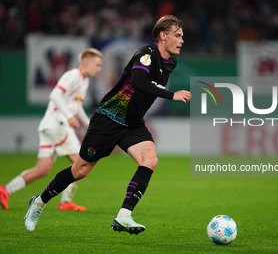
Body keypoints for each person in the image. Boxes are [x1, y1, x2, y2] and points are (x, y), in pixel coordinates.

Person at [23, 15, 191, 234]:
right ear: (163, 35)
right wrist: (172, 95)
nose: (182, 40)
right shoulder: (146, 54)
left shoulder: (171, 61)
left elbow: (132, 80)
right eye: (177, 35)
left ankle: (124, 216)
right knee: (80, 170)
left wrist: (118, 91)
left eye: (182, 36)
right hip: (109, 118)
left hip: (132, 122)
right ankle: (39, 202)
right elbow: (139, 81)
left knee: (149, 160)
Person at [0, 48, 102, 211]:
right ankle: (66, 201)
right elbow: (55, 94)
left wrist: (88, 124)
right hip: (58, 124)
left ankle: (5, 190)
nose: (99, 68)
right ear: (87, 63)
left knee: (43, 169)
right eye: (97, 65)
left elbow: (77, 106)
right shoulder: (73, 76)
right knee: (81, 163)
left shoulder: (84, 80)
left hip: (50, 125)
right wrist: (68, 116)